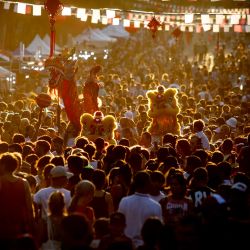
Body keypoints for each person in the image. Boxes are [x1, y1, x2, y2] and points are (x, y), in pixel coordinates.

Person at [118, 170, 162, 248]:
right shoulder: (155, 206)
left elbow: (119, 224)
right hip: (145, 246)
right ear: (148, 184)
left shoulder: (124, 201)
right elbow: (159, 230)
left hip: (126, 245)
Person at [0, 153, 35, 248]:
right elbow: (29, 206)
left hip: (2, 228)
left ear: (3, 165)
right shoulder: (24, 182)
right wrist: (31, 223)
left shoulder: (1, 182)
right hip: (20, 227)